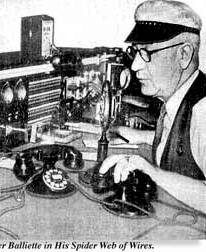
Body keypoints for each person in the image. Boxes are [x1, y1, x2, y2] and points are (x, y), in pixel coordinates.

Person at [99, 0, 206, 214]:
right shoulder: (177, 98)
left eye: (147, 52)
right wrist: (135, 134)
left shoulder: (203, 111)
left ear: (183, 55)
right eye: (135, 51)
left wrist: (151, 171)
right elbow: (179, 137)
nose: (136, 65)